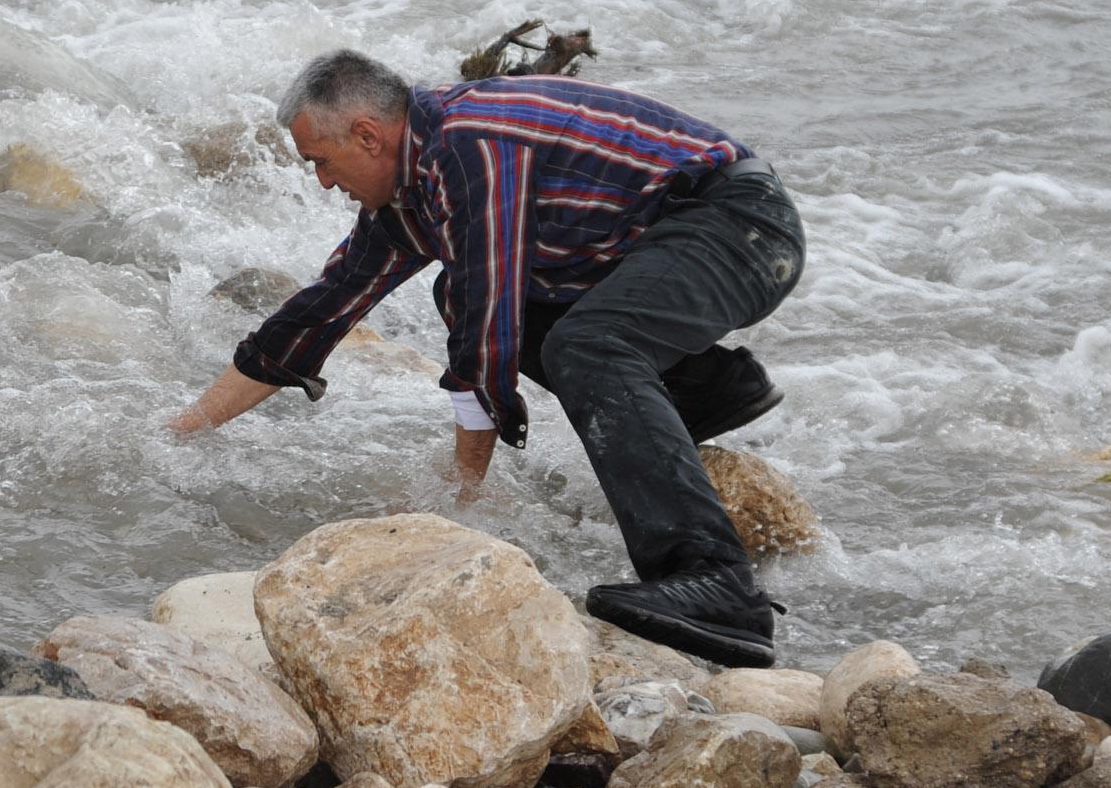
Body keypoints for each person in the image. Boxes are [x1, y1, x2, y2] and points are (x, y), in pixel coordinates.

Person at [170, 49, 806, 666]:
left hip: (737, 226)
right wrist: (187, 429)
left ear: (367, 135)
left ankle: (717, 583)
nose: (323, 182)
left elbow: (489, 315)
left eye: (322, 161)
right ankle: (703, 391)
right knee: (473, 295)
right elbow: (321, 311)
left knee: (577, 339)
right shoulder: (413, 186)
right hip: (661, 244)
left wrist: (463, 494)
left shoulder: (469, 146)